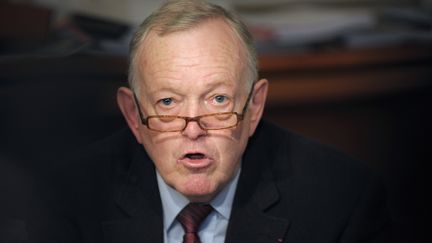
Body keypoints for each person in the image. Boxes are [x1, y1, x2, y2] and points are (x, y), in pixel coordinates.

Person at [34, 0, 392, 242]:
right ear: (134, 116)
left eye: (218, 99)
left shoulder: (342, 200)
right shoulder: (66, 199)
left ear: (254, 108)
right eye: (168, 102)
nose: (193, 129)